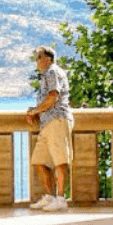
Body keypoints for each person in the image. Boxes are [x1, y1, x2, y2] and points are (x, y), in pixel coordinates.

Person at [26, 45, 73, 211]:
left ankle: (60, 199)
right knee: (39, 161)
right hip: (47, 123)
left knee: (60, 160)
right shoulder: (46, 75)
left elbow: (53, 96)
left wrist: (35, 111)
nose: (36, 61)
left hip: (57, 119)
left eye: (39, 57)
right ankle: (49, 197)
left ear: (48, 59)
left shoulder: (52, 71)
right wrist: (37, 111)